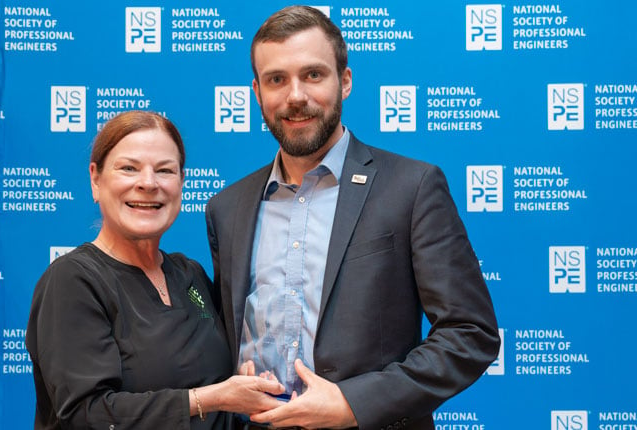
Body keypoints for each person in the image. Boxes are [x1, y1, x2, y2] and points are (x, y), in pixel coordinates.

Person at [205, 6, 501, 429]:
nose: (295, 96)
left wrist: (353, 404)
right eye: (276, 80)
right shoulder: (227, 207)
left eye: (313, 75)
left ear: (344, 81)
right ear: (257, 93)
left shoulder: (412, 187)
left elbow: (470, 333)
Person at [25, 110, 285, 429]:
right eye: (129, 168)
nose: (148, 183)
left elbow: (216, 381)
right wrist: (213, 398)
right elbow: (87, 415)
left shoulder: (190, 274)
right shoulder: (73, 280)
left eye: (164, 170)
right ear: (96, 179)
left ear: (181, 183)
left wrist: (243, 381)